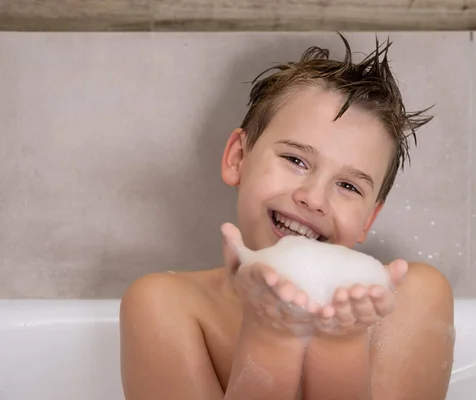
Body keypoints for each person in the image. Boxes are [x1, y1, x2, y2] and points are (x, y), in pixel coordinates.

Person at [119, 33, 455, 400]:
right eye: (296, 160)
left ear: (368, 219)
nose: (313, 199)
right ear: (238, 158)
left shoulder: (410, 299)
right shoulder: (164, 306)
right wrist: (270, 336)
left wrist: (338, 343)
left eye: (348, 186)